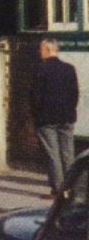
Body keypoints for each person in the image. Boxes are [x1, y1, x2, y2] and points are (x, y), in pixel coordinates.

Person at [30, 37, 79, 196]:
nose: (39, 52)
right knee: (68, 153)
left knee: (53, 154)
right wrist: (70, 110)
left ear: (47, 50)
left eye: (41, 49)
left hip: (46, 118)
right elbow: (74, 94)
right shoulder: (69, 69)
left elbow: (36, 96)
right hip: (67, 116)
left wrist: (35, 115)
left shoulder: (41, 69)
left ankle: (58, 190)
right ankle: (72, 187)